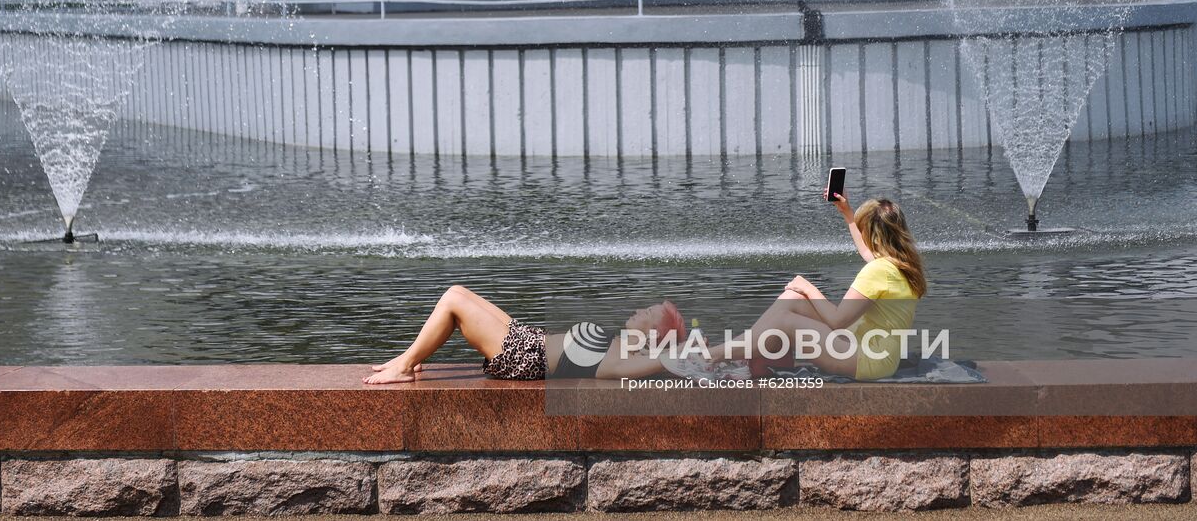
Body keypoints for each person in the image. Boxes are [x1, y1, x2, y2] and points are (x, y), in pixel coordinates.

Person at [724, 193, 926, 380]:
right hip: (875, 353)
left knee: (785, 320)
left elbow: (837, 321)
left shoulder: (878, 271)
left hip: (867, 360)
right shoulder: (898, 263)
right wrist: (848, 213)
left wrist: (808, 287)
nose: (860, 231)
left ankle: (710, 357)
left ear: (872, 234)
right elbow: (867, 251)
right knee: (792, 298)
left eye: (862, 227)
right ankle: (744, 350)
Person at [363, 285, 687, 384]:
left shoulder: (625, 359)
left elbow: (669, 359)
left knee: (452, 300)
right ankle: (409, 358)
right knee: (458, 292)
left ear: (651, 336)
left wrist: (732, 347)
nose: (641, 311)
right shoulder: (619, 346)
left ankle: (406, 366)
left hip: (523, 356)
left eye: (649, 314)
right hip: (529, 340)